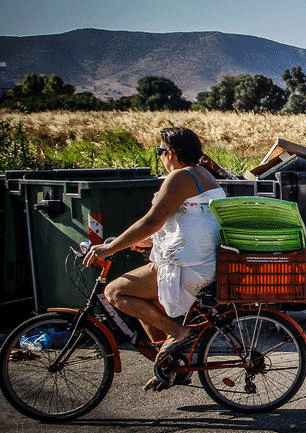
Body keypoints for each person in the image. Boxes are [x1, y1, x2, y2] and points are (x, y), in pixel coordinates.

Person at [83, 126, 226, 373]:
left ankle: (179, 332)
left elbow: (151, 222)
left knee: (115, 291)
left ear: (170, 153)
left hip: (189, 266)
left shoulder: (181, 177)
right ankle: (171, 368)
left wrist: (109, 250)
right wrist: (145, 242)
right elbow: (186, 222)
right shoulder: (201, 173)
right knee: (142, 304)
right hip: (200, 260)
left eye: (160, 151)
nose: (160, 156)